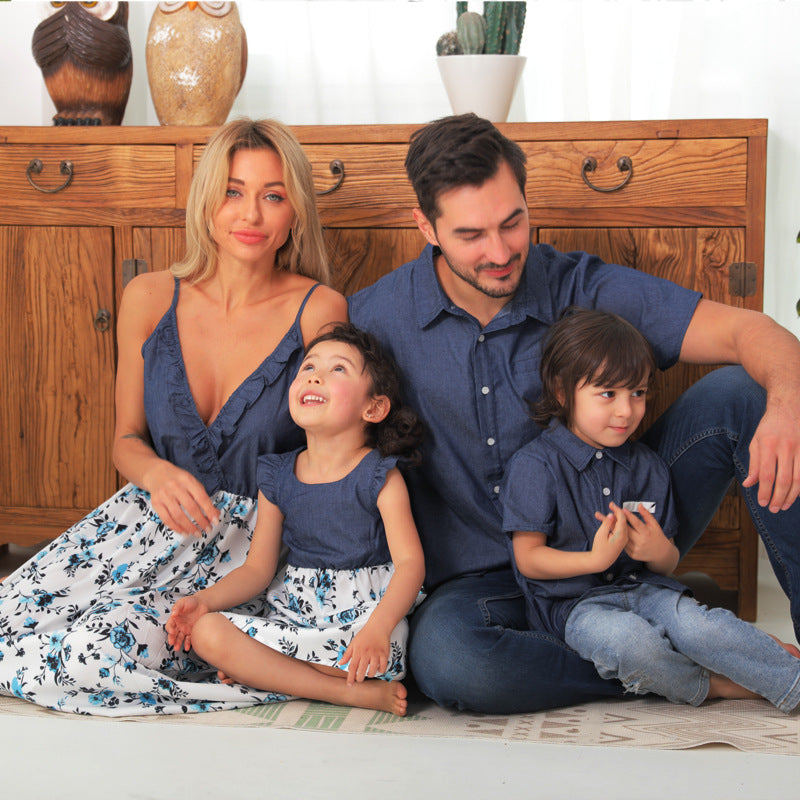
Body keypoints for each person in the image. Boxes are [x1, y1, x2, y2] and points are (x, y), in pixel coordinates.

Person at [348, 112, 800, 714]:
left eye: (513, 223)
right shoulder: (375, 316)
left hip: (631, 536)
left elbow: (752, 331)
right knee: (450, 662)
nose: (501, 252)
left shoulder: (576, 283)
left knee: (746, 393)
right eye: (471, 235)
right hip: (486, 578)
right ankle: (699, 670)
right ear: (425, 226)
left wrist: (788, 407)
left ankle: (659, 646)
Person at [0, 118, 348, 715]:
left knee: (92, 649)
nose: (251, 215)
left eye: (273, 195)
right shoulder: (150, 296)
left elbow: (333, 452)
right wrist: (157, 475)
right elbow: (125, 440)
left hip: (247, 549)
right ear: (206, 200)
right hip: (148, 520)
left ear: (295, 211)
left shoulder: (319, 308)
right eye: (233, 191)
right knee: (10, 616)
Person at [504, 308, 800, 712]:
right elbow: (528, 559)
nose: (627, 411)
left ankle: (787, 678)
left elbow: (667, 566)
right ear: (561, 392)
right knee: (631, 645)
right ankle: (716, 685)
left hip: (645, 590)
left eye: (638, 393)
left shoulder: (648, 466)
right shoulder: (535, 466)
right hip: (575, 608)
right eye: (608, 394)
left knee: (701, 628)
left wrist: (656, 548)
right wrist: (594, 559)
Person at [165, 323, 425, 717]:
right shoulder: (278, 474)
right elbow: (257, 569)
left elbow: (411, 564)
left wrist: (378, 628)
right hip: (293, 617)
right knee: (208, 634)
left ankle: (270, 673)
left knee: (366, 655)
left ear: (373, 408)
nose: (316, 374)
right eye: (309, 367)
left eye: (339, 369)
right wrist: (203, 601)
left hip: (362, 621)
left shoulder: (380, 476)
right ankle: (346, 692)